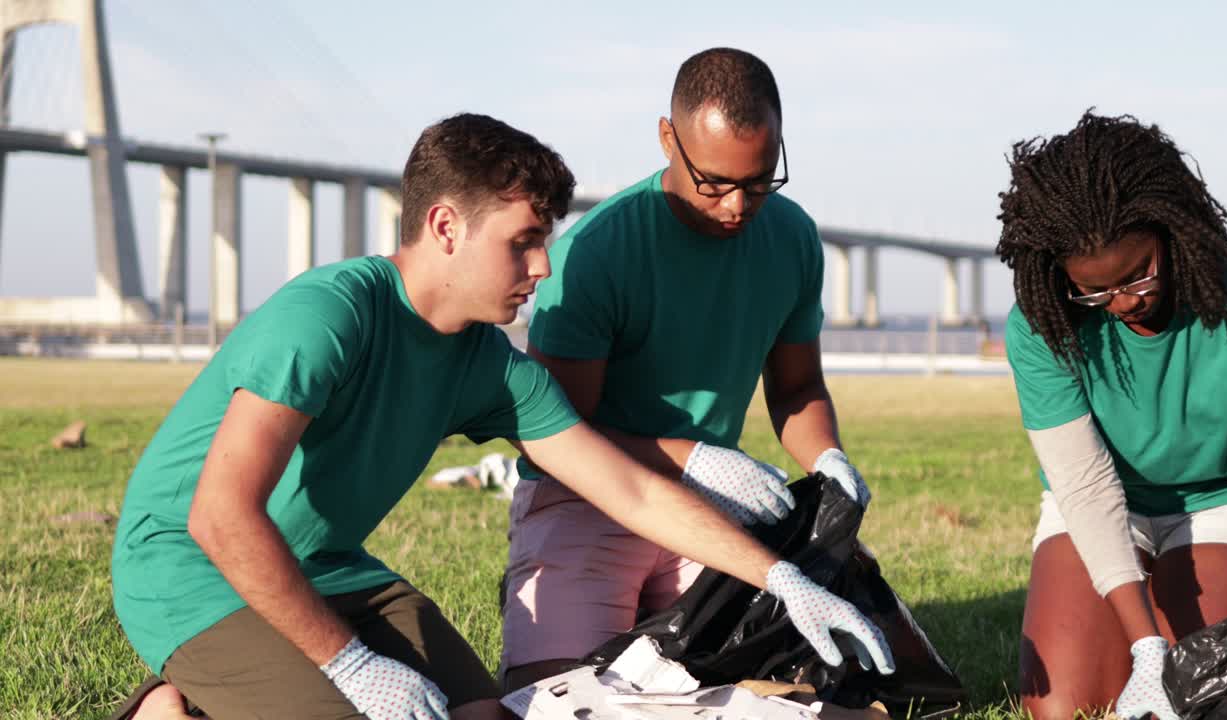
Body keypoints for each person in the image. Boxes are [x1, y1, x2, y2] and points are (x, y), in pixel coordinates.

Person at [109, 112, 892, 720]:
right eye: (524, 242)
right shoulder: (327, 317)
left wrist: (780, 577)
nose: (543, 266)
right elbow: (219, 517)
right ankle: (170, 707)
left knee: (490, 715)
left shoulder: (489, 365)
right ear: (446, 227)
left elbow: (629, 488)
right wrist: (348, 663)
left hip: (331, 567)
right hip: (191, 569)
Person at [500, 47, 881, 691]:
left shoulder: (792, 238)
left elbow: (797, 388)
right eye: (714, 183)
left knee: (798, 688)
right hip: (587, 498)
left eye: (759, 182)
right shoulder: (597, 253)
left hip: (706, 511)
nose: (737, 206)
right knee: (557, 697)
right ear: (667, 139)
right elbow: (558, 433)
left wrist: (827, 458)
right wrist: (693, 458)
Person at [998, 111, 1227, 720]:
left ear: (1170, 231)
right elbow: (1084, 485)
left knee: (1196, 694)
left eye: (1137, 276)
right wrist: (1146, 647)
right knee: (1061, 709)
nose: (1122, 303)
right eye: (1094, 291)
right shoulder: (1042, 323)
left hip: (1226, 499)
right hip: (1106, 504)